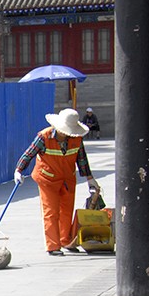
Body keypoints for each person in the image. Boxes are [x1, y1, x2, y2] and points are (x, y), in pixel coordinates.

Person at [14, 108, 99, 256]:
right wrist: (18, 171)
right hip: (47, 179)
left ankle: (65, 240)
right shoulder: (44, 137)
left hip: (67, 178)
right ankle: (53, 246)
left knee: (67, 210)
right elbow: (29, 154)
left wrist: (90, 179)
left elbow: (82, 159)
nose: (67, 134)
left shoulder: (76, 138)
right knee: (51, 212)